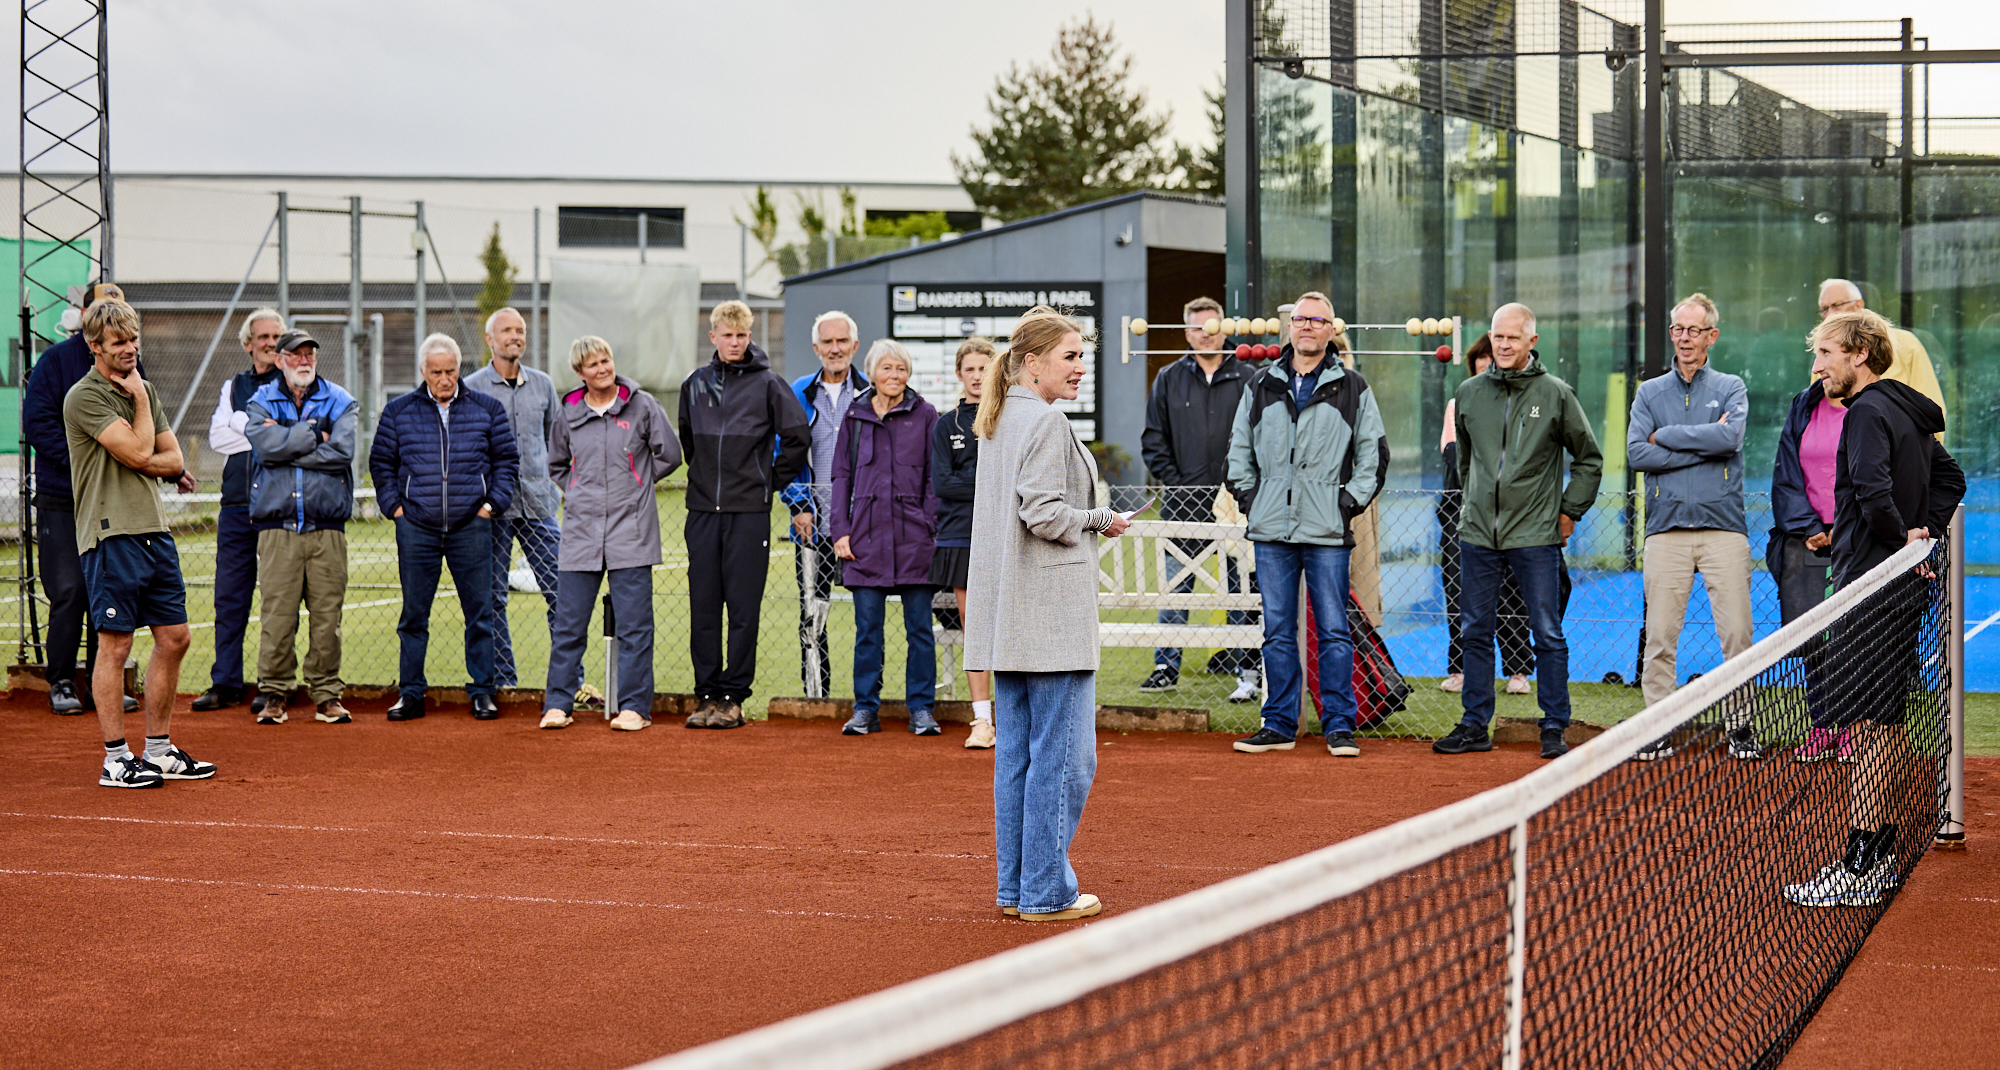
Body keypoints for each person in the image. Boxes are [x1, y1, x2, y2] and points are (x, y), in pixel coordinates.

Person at [1782, 309, 1962, 909]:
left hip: (1870, 586)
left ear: (1859, 354)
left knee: (1865, 724)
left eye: (1826, 353)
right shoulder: (1907, 411)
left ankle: (1861, 862)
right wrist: (1921, 536)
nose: (1818, 366)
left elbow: (1871, 490)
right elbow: (1952, 479)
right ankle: (1877, 852)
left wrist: (1905, 540)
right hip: (1896, 583)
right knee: (1881, 720)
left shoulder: (1865, 411)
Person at [966, 306, 1130, 921]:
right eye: (1070, 356)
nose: (1081, 366)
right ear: (1032, 362)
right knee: (1064, 761)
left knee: (1019, 759)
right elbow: (1043, 513)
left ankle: (1019, 889)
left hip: (1012, 617)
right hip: (1048, 619)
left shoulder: (1000, 416)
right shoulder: (1043, 421)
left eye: (1083, 355)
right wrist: (1100, 519)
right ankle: (1045, 892)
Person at [1433, 303, 1602, 761]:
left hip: (1536, 536)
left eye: (1512, 337)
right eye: (1497, 337)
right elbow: (1465, 463)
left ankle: (1554, 726)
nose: (1504, 345)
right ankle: (1474, 725)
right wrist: (1473, 506)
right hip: (1477, 536)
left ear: (1532, 341)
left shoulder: (1556, 394)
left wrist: (1569, 511)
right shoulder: (1468, 393)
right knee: (1474, 631)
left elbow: (1589, 459)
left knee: (1547, 633)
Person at [1227, 292, 1387, 758]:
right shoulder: (1261, 383)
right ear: (1290, 327)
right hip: (1271, 530)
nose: (1308, 327)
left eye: (1318, 320)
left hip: (1327, 531)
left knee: (1334, 630)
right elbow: (1238, 450)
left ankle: (1340, 726)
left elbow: (1374, 455)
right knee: (1277, 631)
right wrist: (1254, 500)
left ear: (1331, 330)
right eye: (1301, 319)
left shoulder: (1353, 387)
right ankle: (1278, 724)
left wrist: (1345, 505)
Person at [62, 300, 213, 788]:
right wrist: (143, 414)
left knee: (175, 637)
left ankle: (159, 750)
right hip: (110, 534)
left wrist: (146, 444)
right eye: (119, 343)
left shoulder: (142, 387)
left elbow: (172, 460)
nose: (130, 349)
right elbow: (143, 452)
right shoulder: (84, 397)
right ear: (94, 346)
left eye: (133, 340)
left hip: (153, 531)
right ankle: (115, 759)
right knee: (116, 644)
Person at [1625, 293, 1760, 761]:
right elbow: (1636, 453)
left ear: (1711, 336)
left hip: (1724, 530)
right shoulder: (1649, 393)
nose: (1684, 338)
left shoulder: (1731, 386)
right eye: (1678, 329)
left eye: (1694, 330)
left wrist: (1666, 436)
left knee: (1737, 635)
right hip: (1666, 532)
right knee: (1660, 637)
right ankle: (1658, 729)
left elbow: (1730, 438)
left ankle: (1741, 728)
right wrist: (1703, 446)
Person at [369, 334, 519, 722]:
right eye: (436, 372)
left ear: (458, 369)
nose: (444, 379)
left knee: (480, 613)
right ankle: (411, 693)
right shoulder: (398, 411)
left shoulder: (487, 409)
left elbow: (506, 461)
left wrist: (490, 507)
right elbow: (381, 464)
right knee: (414, 615)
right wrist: (396, 509)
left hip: (472, 525)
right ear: (423, 371)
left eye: (450, 370)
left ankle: (483, 691)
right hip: (416, 526)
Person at [23, 282, 154, 716]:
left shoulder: (131, 368)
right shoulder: (55, 362)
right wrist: (88, 460)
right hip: (63, 499)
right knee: (69, 591)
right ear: (84, 319)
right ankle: (61, 681)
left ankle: (104, 687)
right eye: (103, 310)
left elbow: (142, 427)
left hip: (110, 502)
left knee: (109, 593)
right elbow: (39, 425)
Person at [678, 300, 810, 729]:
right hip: (702, 511)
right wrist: (707, 480)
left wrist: (765, 481)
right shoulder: (694, 384)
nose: (734, 343)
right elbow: (689, 442)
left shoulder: (769, 384)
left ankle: (733, 697)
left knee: (742, 609)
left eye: (741, 336)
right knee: (703, 607)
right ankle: (706, 695)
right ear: (713, 336)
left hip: (749, 513)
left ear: (750, 337)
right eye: (727, 335)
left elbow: (797, 438)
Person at [539, 337, 682, 732]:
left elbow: (670, 454)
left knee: (635, 627)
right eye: (592, 364)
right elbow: (556, 464)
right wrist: (578, 490)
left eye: (606, 360)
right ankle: (558, 704)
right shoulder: (567, 413)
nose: (602, 369)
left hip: (631, 533)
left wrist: (637, 482)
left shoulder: (642, 405)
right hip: (580, 534)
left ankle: (634, 708)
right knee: (568, 625)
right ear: (579, 372)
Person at [1139, 295, 1259, 703]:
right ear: (1186, 333)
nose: (1205, 335)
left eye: (1212, 327)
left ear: (1224, 329)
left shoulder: (1249, 375)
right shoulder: (1168, 378)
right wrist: (1179, 485)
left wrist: (1242, 485)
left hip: (1236, 506)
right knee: (1175, 589)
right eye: (1197, 328)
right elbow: (1153, 441)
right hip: (1182, 505)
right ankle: (1165, 668)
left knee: (1240, 590)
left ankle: (1248, 674)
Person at [243, 330, 358, 725]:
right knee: (277, 616)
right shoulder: (261, 400)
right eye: (295, 354)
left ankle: (326, 695)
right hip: (278, 529)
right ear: (280, 360)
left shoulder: (340, 400)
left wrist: (287, 448)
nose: (304, 360)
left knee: (327, 618)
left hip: (327, 527)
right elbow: (264, 448)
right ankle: (274, 694)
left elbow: (342, 451)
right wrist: (312, 434)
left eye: (309, 353)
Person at [831, 340, 941, 736]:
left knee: (920, 632)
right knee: (867, 633)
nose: (895, 376)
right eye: (887, 368)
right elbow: (840, 477)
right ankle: (865, 709)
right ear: (872, 373)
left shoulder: (926, 414)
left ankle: (921, 709)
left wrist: (928, 523)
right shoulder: (855, 415)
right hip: (865, 541)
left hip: (915, 541)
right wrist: (841, 531)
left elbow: (935, 477)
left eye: (901, 369)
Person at [193, 307, 285, 712]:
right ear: (249, 344)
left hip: (276, 504)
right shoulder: (234, 385)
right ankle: (226, 682)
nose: (270, 344)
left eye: (276, 337)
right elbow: (217, 439)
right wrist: (257, 430)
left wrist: (240, 424)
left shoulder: (293, 385)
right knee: (229, 598)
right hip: (234, 505)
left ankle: (271, 683)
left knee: (276, 599)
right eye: (263, 337)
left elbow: (285, 438)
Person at [465, 307, 561, 690]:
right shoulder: (472, 388)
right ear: (490, 339)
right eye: (506, 330)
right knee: (492, 599)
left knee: (561, 592)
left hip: (539, 505)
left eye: (519, 330)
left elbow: (557, 440)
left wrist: (555, 483)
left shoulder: (543, 385)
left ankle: (568, 682)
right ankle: (504, 682)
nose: (515, 336)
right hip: (493, 510)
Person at [1437, 333, 1537, 695]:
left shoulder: (1520, 401)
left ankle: (1518, 670)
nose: (1485, 369)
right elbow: (1454, 453)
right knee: (1458, 590)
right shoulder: (1459, 402)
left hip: (1510, 512)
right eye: (1479, 364)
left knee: (1512, 591)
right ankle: (1460, 668)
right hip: (1461, 512)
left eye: (1490, 363)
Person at [1770, 341, 1850, 762]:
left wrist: (1845, 530)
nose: (1817, 366)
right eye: (1815, 356)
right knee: (1815, 640)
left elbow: (1878, 475)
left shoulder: (1873, 407)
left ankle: (1853, 728)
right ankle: (1821, 727)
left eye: (1825, 355)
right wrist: (1811, 528)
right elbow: (1786, 472)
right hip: (1808, 541)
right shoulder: (1803, 405)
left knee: (1855, 637)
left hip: (1859, 542)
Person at [781, 310, 867, 699]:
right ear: (816, 348)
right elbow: (783, 454)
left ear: (855, 346)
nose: (835, 349)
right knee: (812, 616)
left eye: (841, 341)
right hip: (812, 529)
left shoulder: (869, 392)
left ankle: (867, 701)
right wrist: (798, 505)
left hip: (863, 528)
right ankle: (817, 699)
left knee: (869, 618)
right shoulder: (798, 393)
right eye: (827, 342)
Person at [934, 337, 995, 749]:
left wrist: (969, 482)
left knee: (1010, 628)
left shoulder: (1008, 416)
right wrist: (990, 484)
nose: (977, 376)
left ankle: (1016, 717)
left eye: (984, 368)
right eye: (970, 369)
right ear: (959, 373)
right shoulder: (947, 425)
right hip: (960, 535)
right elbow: (943, 484)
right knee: (974, 627)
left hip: (1006, 536)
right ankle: (982, 720)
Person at [1816, 279, 1945, 421]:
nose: (1830, 314)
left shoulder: (1905, 344)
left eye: (1837, 305)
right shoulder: (1822, 356)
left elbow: (1930, 413)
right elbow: (1814, 413)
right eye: (1824, 309)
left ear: (1859, 305)